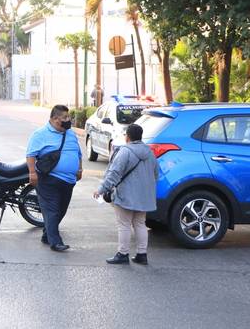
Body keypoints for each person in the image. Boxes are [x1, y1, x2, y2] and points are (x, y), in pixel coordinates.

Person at [94, 123, 158, 265]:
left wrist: (101, 189)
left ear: (127, 137)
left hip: (126, 194)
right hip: (144, 196)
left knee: (124, 224)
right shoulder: (150, 153)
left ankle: (123, 254)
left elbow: (114, 173)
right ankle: (142, 254)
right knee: (140, 224)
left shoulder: (125, 152)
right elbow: (155, 174)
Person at [26, 105, 83, 252]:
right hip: (49, 179)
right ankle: (55, 242)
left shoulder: (70, 134)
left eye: (68, 117)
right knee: (52, 210)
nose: (68, 120)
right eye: (65, 117)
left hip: (69, 181)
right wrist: (32, 173)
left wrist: (79, 168)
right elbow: (31, 155)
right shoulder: (40, 134)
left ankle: (47, 235)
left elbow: (78, 153)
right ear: (55, 119)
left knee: (61, 210)